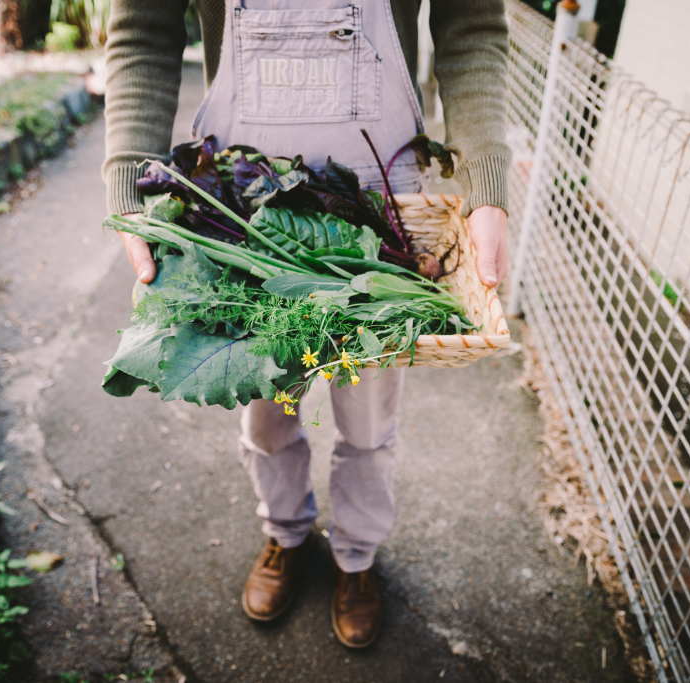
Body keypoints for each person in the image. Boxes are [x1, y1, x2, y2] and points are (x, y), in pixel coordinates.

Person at [102, 0, 510, 649]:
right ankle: (285, 530)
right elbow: (143, 27)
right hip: (244, 204)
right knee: (264, 406)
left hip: (382, 204)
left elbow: (472, 22)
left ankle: (356, 554)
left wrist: (487, 180)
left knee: (369, 419)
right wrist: (128, 179)